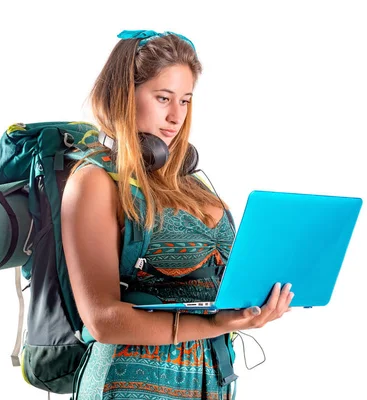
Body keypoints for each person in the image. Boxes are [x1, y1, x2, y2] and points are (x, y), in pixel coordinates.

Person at [61, 30, 294, 400]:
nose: (175, 116)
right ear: (123, 95)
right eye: (163, 98)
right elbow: (103, 320)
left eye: (185, 101)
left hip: (211, 380)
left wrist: (256, 303)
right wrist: (214, 323)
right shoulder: (95, 180)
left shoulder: (192, 185)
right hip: (129, 382)